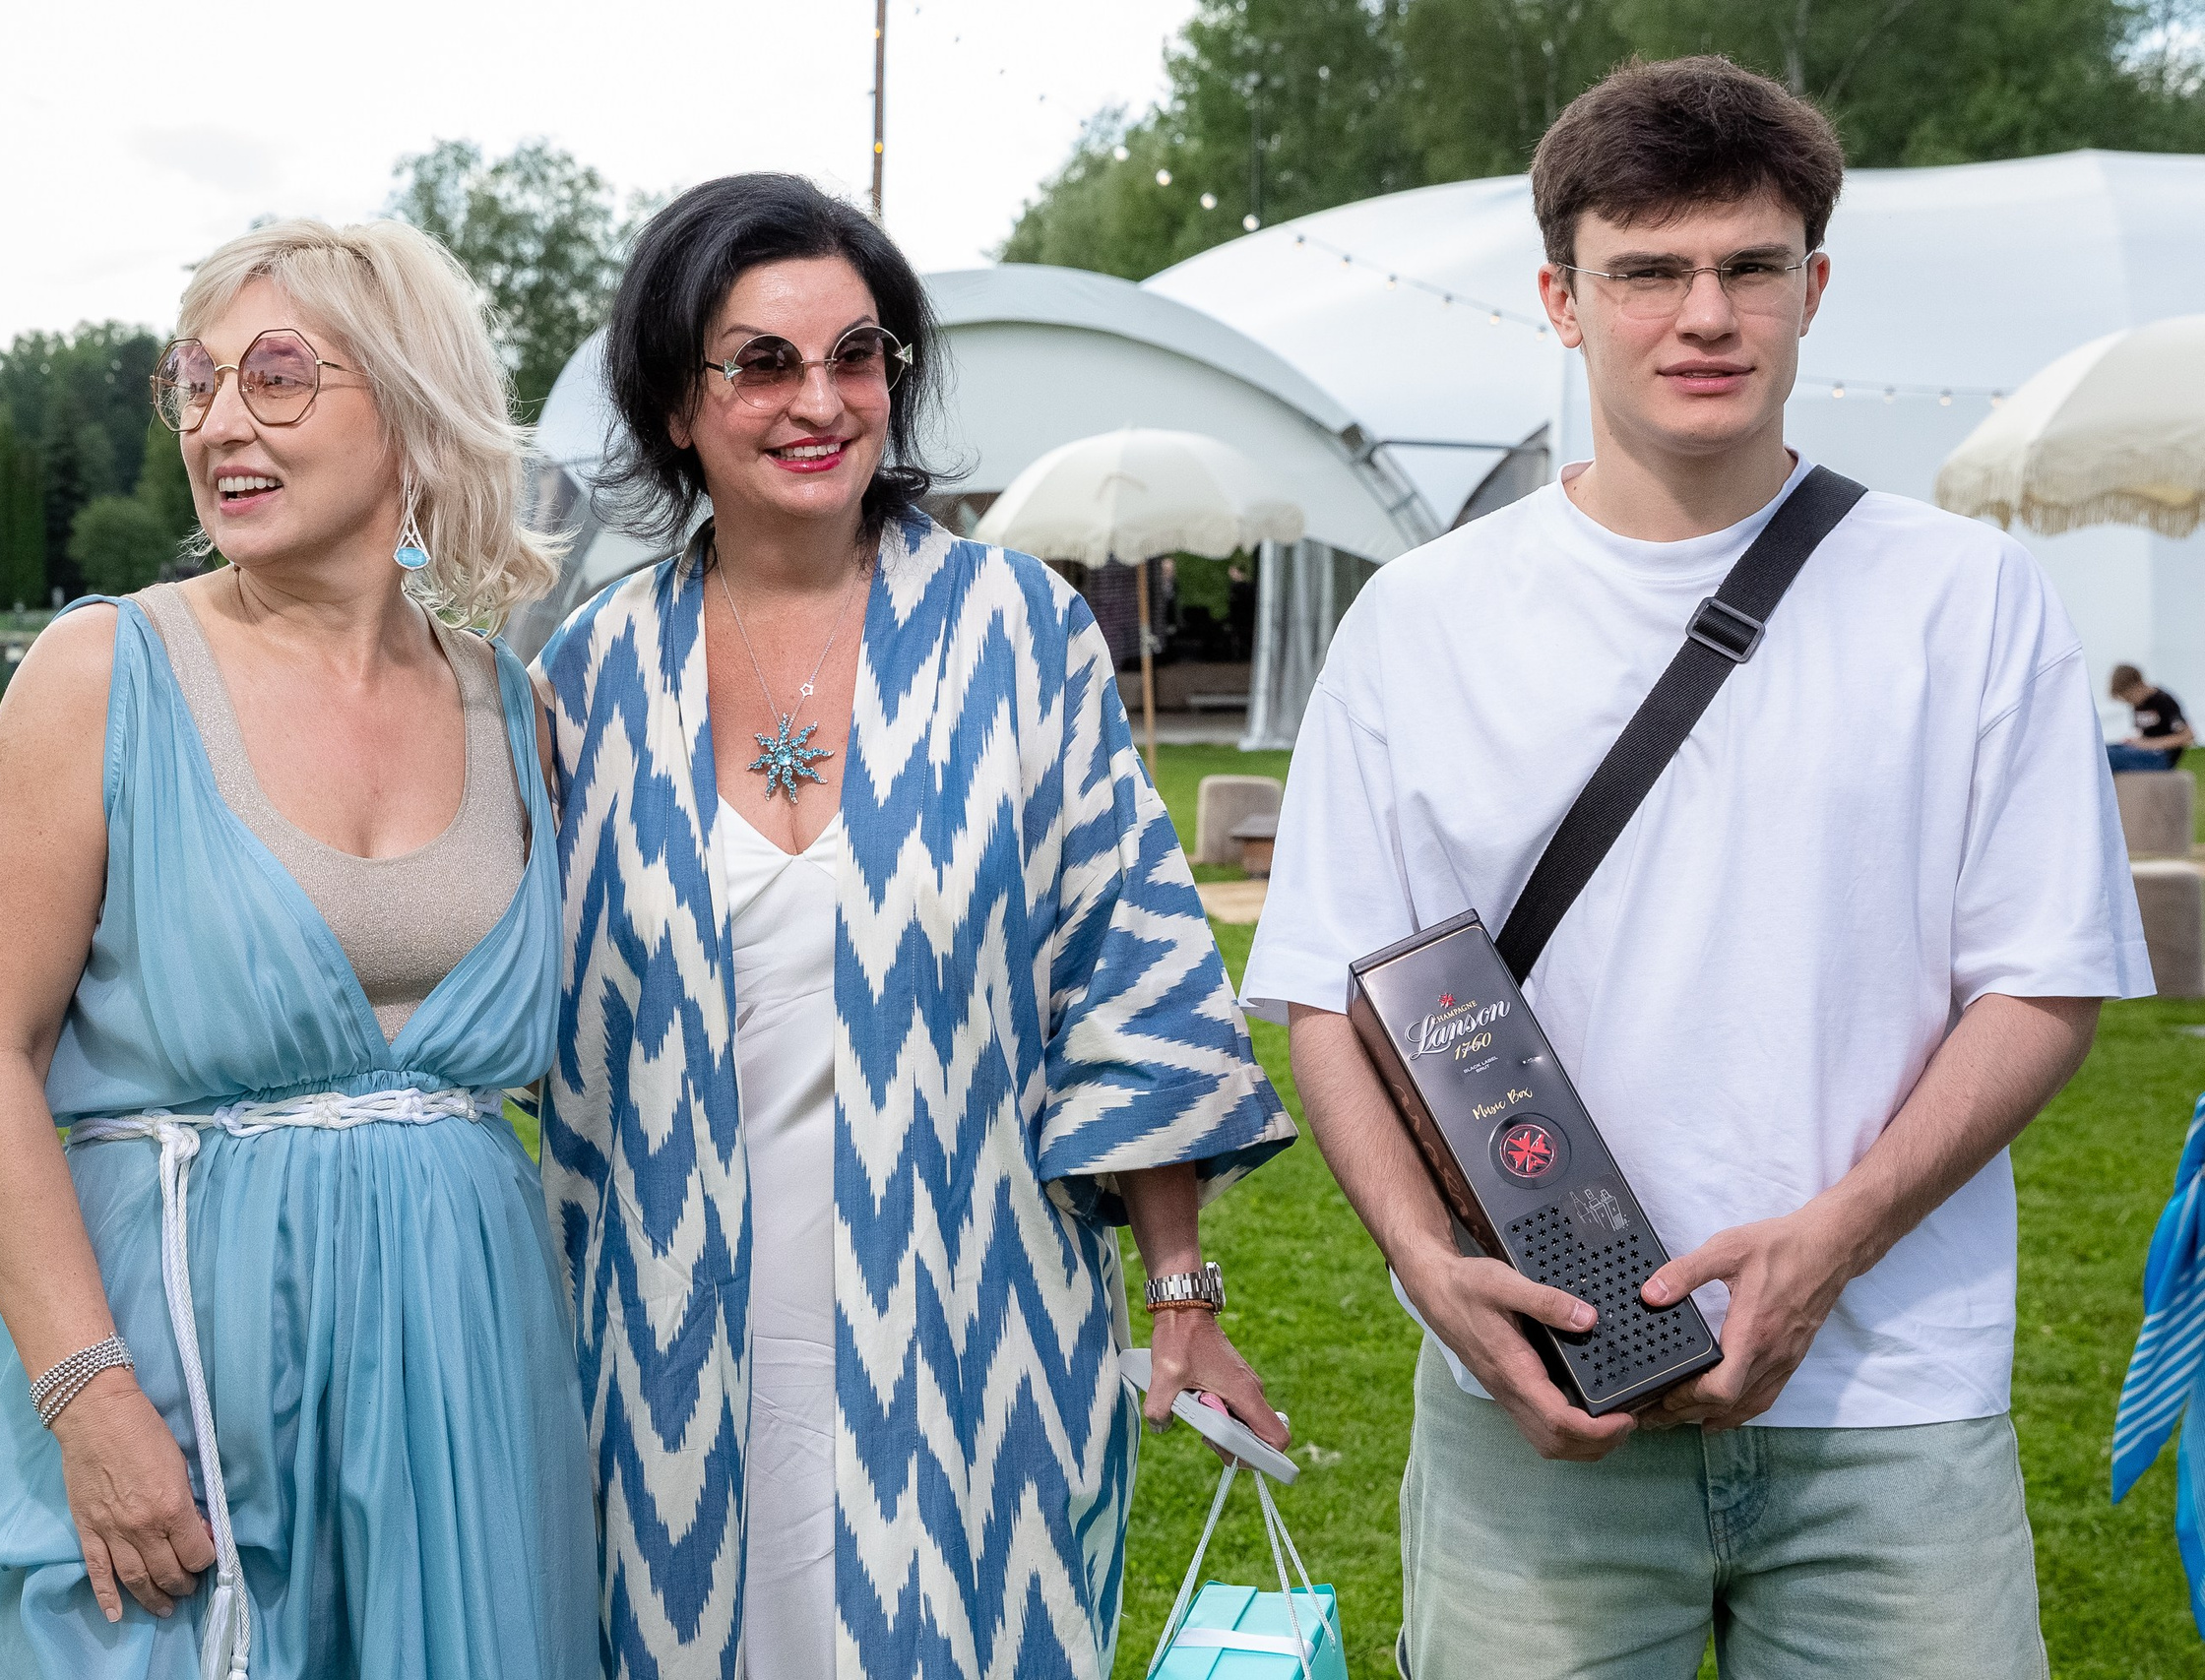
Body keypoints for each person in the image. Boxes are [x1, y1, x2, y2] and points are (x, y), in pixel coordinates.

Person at [1241, 57, 2152, 1680]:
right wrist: (1425, 1270)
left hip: (1892, 1401)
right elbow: (1322, 993)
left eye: (1748, 267)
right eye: (1648, 271)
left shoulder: (1968, 597)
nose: (1704, 315)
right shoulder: (1422, 621)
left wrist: (1837, 1237)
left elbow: (2046, 977)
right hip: (1533, 1408)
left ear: (1814, 287)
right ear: (1561, 300)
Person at [531, 173, 1294, 1680]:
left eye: (858, 355)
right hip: (670, 1336)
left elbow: (1130, 972)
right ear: (676, 404)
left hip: (970, 1317)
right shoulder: (592, 675)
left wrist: (1184, 1290)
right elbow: (496, 995)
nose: (820, 399)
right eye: (761, 361)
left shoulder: (1020, 634)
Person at [0, 218, 598, 1678]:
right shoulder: (105, 675)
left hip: (465, 1374)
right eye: (199, 380)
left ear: (413, 407)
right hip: (178, 1369)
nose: (221, 419)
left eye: (278, 374)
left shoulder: (521, 712)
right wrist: (87, 1391)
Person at [2109, 662, 2192, 772]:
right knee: (2103, 748)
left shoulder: (2164, 701)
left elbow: (2187, 736)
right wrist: (2136, 742)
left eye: (2128, 697)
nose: (2128, 702)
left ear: (2137, 685)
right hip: (2145, 752)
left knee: (2109, 756)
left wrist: (2148, 744)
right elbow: (2148, 733)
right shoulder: (2138, 704)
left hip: (2161, 757)